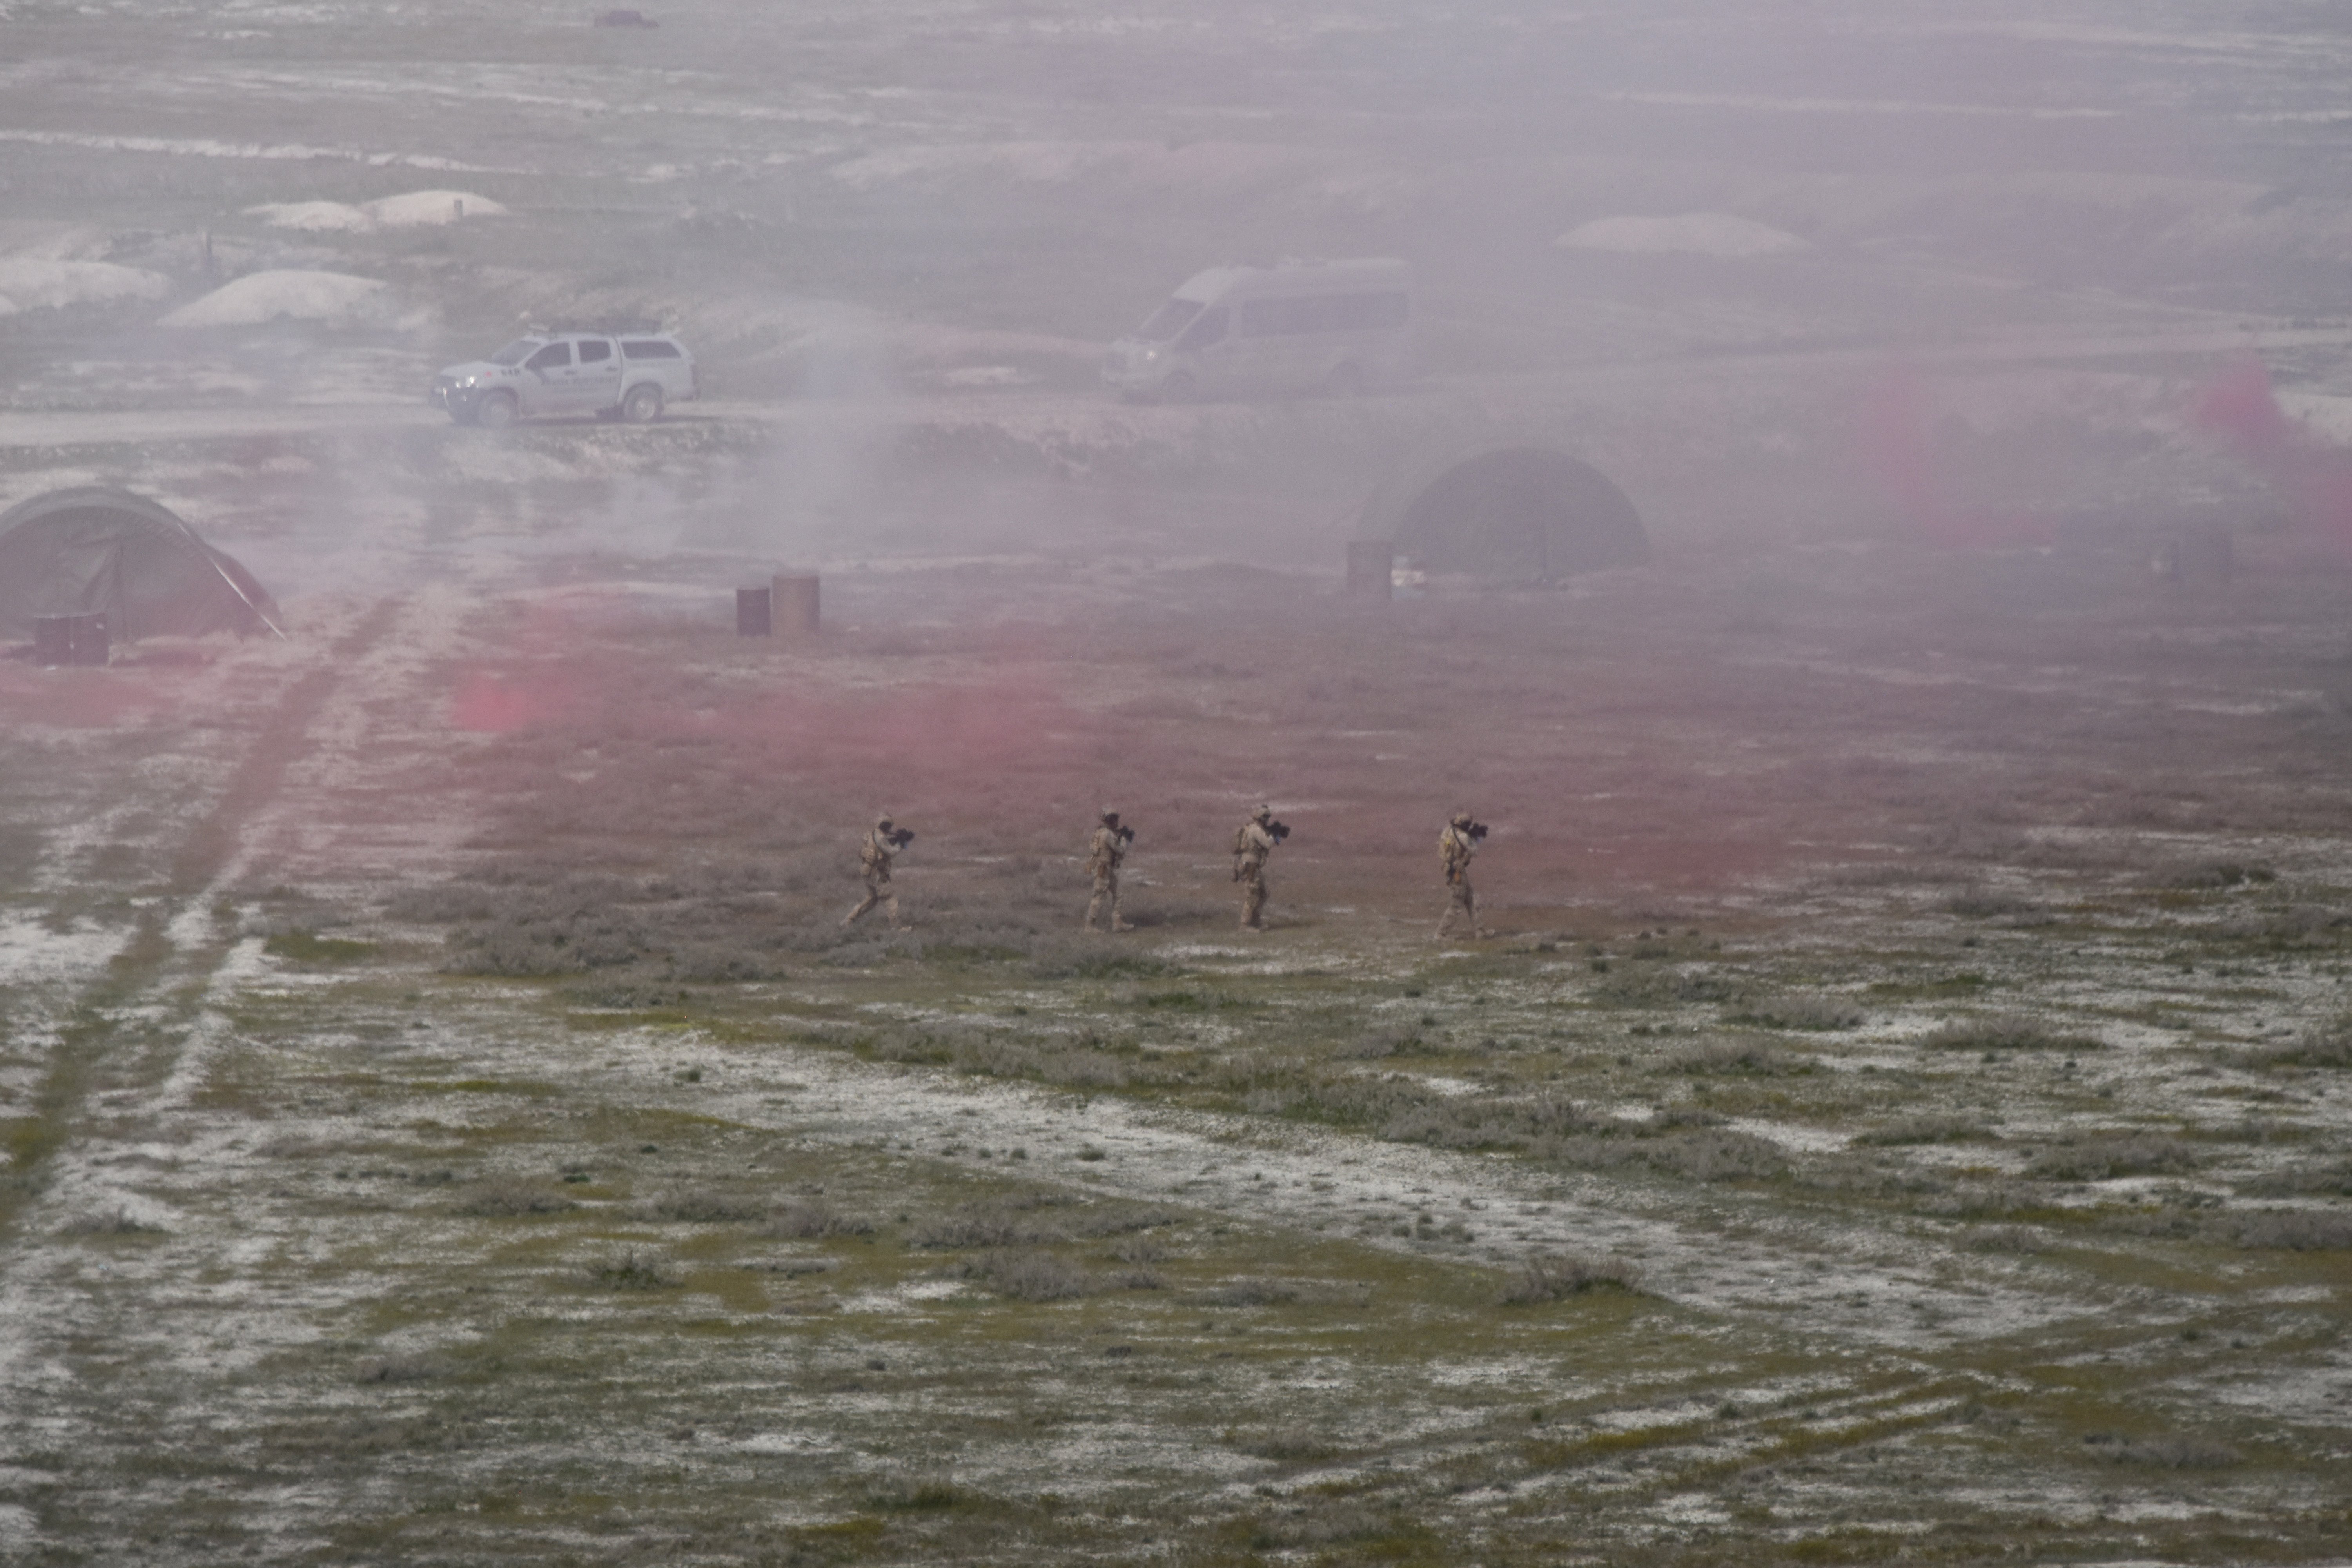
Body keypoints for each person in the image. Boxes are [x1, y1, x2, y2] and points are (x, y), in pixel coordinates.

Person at [843, 815, 910, 929]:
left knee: (872, 899)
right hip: (877, 874)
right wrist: (901, 844)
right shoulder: (881, 838)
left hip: (867, 871)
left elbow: (872, 849)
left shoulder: (871, 835)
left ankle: (849, 920)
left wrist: (895, 839)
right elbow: (891, 852)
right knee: (890, 899)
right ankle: (897, 928)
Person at [1084, 808, 1135, 932]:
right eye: (1114, 819)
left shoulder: (1100, 832)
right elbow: (1120, 850)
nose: (1116, 822)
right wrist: (1124, 839)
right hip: (1104, 869)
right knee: (1099, 897)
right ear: (1109, 820)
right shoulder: (1107, 834)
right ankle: (1090, 927)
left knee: (1118, 895)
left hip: (1105, 868)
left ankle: (1118, 923)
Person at [1437, 810, 1485, 938]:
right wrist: (1476, 838)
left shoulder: (1447, 831)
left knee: (1471, 900)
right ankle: (1441, 934)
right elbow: (1474, 851)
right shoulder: (1464, 837)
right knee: (1456, 904)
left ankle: (1480, 931)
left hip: (1450, 868)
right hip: (1457, 872)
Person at [1232, 804, 1281, 930]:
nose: (1267, 821)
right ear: (1260, 818)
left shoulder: (1254, 829)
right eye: (1265, 818)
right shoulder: (1255, 830)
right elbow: (1267, 844)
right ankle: (1245, 924)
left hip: (1253, 866)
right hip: (1250, 867)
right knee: (1253, 894)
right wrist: (1276, 836)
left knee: (1263, 893)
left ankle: (1255, 920)